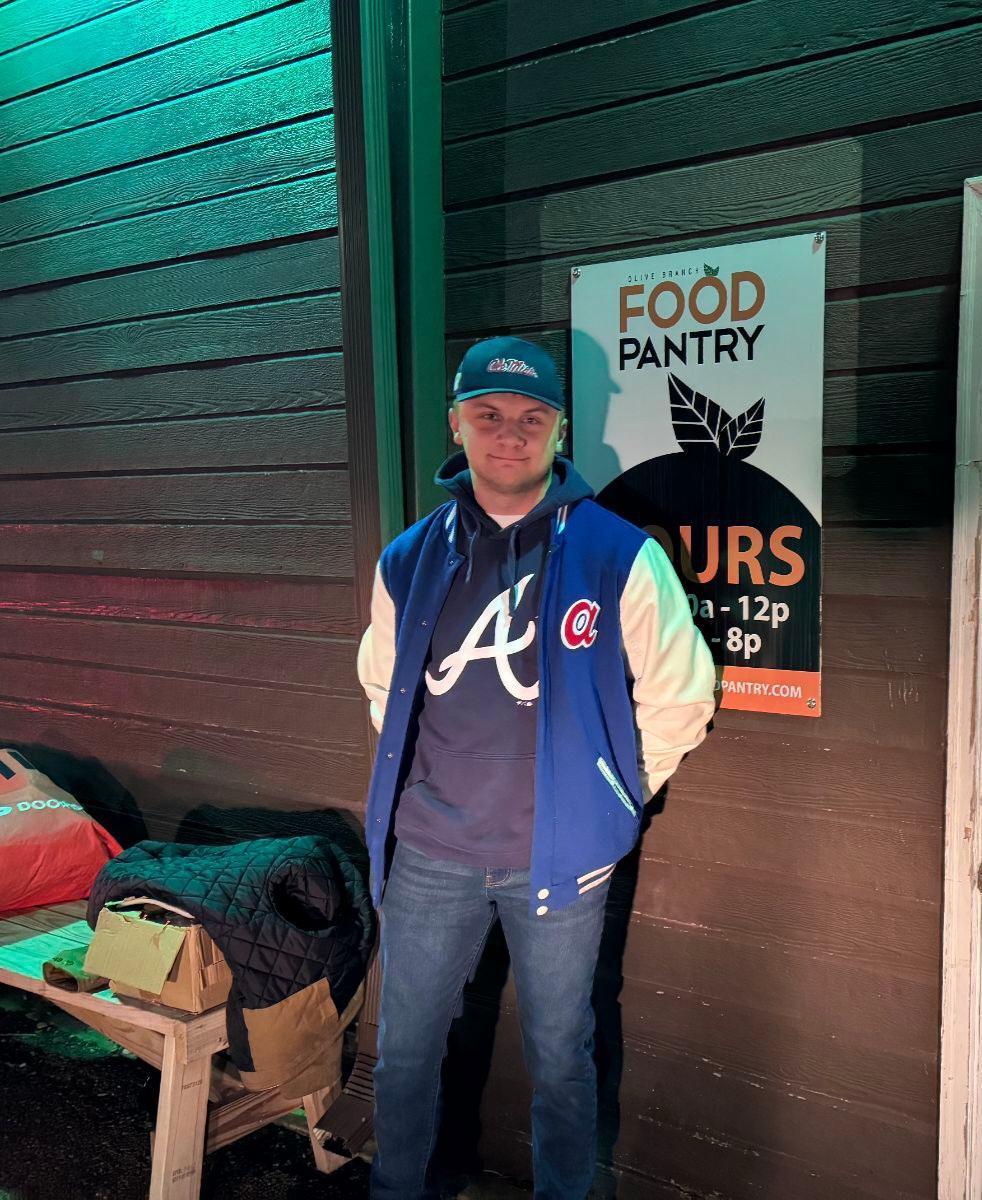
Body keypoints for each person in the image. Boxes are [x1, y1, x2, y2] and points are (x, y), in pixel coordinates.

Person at [357, 335, 716, 1199]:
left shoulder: (618, 554)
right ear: (456, 424)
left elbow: (682, 696)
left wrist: (608, 800)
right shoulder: (407, 559)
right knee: (403, 1054)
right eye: (488, 414)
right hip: (430, 855)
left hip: (559, 860)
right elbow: (381, 685)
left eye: (531, 417)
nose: (509, 434)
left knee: (561, 1056)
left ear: (560, 430)